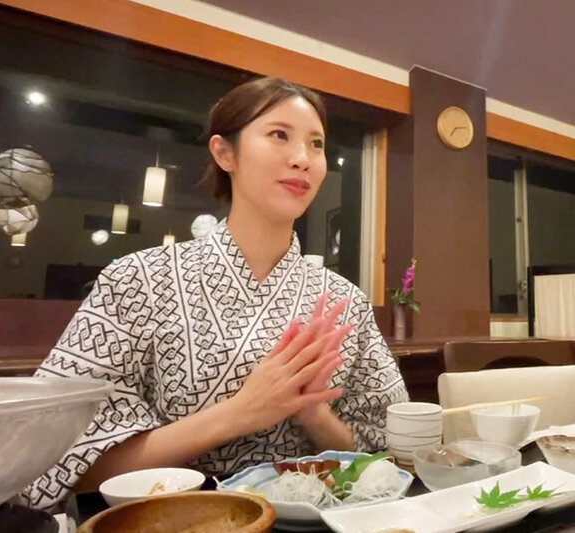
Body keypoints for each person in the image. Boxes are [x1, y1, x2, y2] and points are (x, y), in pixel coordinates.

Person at [20, 77, 409, 510]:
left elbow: (384, 455)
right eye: (279, 134)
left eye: (316, 144)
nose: (302, 158)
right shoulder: (136, 279)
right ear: (225, 153)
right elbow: (60, 462)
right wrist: (242, 412)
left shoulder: (344, 300)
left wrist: (315, 415)